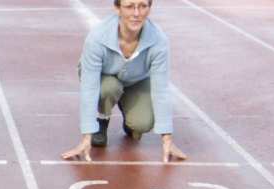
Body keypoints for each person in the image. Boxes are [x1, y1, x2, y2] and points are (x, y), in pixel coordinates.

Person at [61, 0, 186, 163]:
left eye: (143, 6)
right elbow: (89, 88)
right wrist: (86, 136)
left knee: (142, 124)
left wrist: (167, 139)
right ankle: (102, 120)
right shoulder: (98, 37)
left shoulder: (159, 40)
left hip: (135, 81)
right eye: (129, 6)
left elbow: (161, 89)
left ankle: (130, 117)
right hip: (104, 79)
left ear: (149, 8)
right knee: (109, 88)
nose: (136, 13)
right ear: (117, 8)